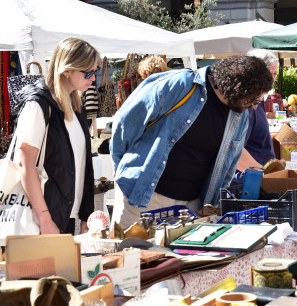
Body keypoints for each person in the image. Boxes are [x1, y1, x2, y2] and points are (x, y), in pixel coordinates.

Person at [110, 55, 274, 229]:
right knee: (130, 254)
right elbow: (126, 122)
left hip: (190, 207)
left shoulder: (239, 115)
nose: (255, 107)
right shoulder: (180, 84)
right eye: (255, 100)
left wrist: (212, 207)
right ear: (239, 88)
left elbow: (229, 164)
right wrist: (119, 165)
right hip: (142, 197)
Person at [13, 37, 98, 234]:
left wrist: (85, 213)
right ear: (67, 69)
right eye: (88, 72)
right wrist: (44, 219)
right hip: (41, 221)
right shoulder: (39, 104)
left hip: (66, 217)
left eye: (96, 71)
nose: (93, 78)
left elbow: (82, 165)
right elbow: (25, 163)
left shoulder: (75, 107)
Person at [232, 49, 279, 184]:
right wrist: (262, 173)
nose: (273, 78)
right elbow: (236, 150)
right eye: (270, 73)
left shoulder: (259, 101)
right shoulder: (246, 104)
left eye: (275, 73)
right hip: (247, 182)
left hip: (255, 179)